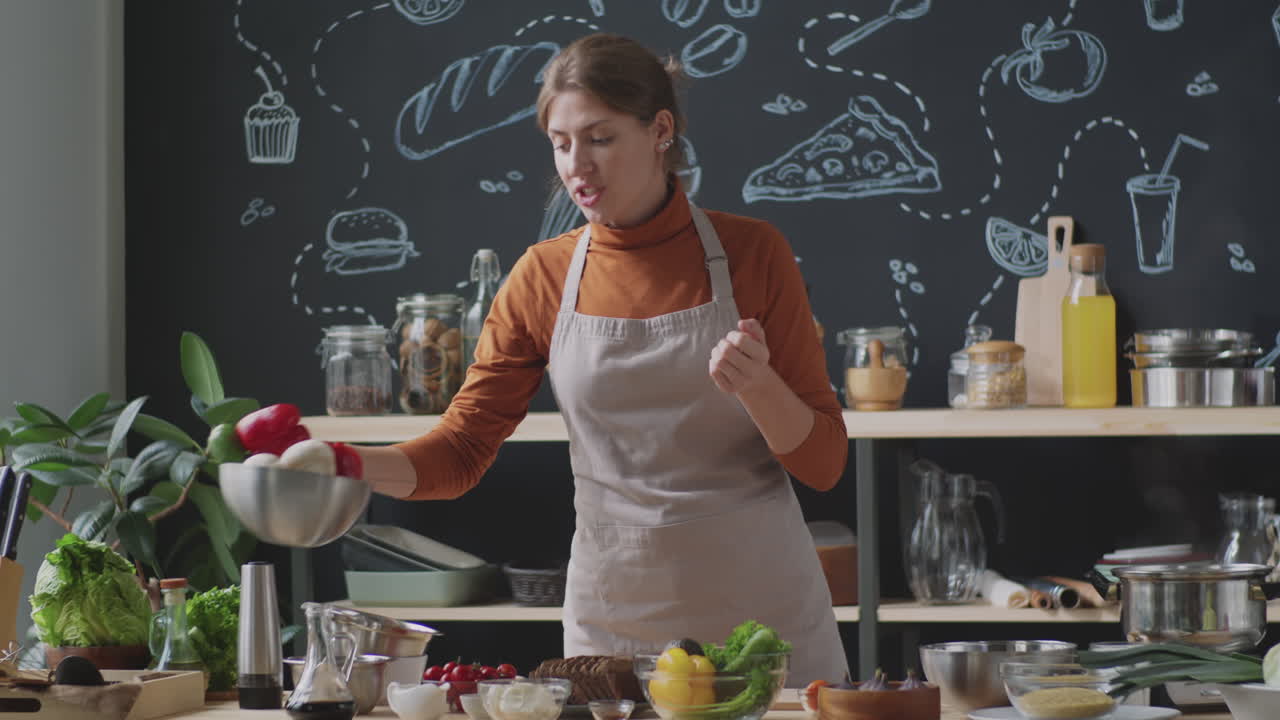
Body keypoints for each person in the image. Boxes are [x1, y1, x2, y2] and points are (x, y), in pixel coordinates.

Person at [353, 33, 849, 685]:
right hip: (615, 624)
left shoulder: (754, 253)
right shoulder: (542, 276)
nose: (576, 166)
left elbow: (824, 464)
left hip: (763, 626)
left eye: (600, 138)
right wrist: (346, 466)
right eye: (561, 143)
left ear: (660, 130)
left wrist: (759, 388)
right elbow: (463, 448)